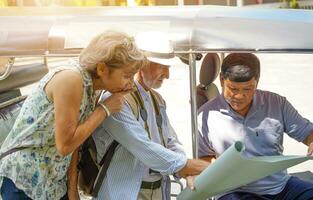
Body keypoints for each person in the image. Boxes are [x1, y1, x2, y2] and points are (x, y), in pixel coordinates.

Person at [0, 31, 146, 200]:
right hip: (24, 179)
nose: (131, 83)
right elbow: (66, 145)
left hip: (53, 183)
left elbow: (76, 140)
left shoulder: (92, 87)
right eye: (127, 76)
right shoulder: (71, 79)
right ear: (102, 69)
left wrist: (72, 189)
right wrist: (104, 109)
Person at [91, 40, 210, 200]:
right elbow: (144, 148)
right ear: (141, 64)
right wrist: (188, 166)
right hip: (126, 192)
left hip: (158, 190)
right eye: (163, 66)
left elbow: (171, 141)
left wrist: (186, 169)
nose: (167, 75)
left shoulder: (157, 99)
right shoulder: (116, 100)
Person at [198, 53, 313, 200]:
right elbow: (203, 160)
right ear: (222, 80)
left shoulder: (277, 103)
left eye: (247, 89)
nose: (239, 96)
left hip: (281, 186)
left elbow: (307, 132)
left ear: (257, 82)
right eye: (233, 89)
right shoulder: (205, 115)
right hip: (235, 192)